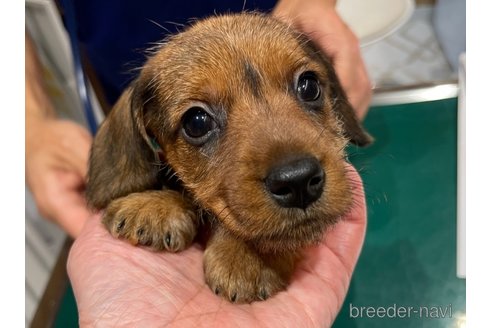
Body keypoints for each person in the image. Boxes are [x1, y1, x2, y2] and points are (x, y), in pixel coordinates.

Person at [26, 0, 371, 325]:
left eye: (307, 87)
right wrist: (29, 125)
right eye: (199, 124)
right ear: (146, 139)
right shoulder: (140, 136)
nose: (292, 170)